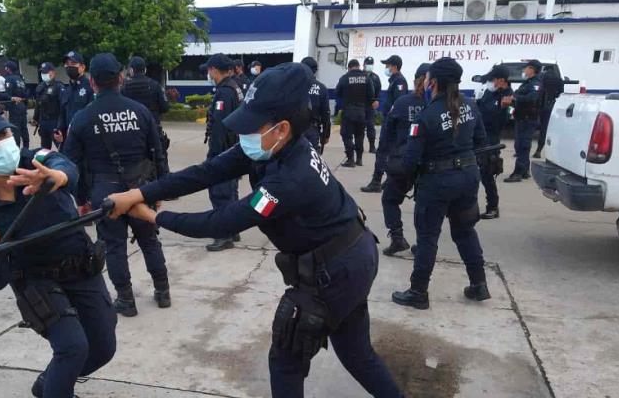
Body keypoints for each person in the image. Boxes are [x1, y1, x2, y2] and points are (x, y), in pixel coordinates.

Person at [106, 63, 402, 398]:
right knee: (356, 354)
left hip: (337, 270)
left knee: (286, 360)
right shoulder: (275, 148)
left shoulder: (288, 178)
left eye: (253, 125)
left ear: (281, 128)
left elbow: (222, 222)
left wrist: (153, 217)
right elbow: (207, 171)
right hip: (353, 254)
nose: (244, 134)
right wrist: (141, 193)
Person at [0, 101, 116, 398]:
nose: (2, 144)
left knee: (103, 348)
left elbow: (65, 165)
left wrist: (56, 178)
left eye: (3, 134)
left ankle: (48, 383)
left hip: (80, 266)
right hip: (36, 282)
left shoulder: (38, 160)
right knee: (72, 347)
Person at [61, 52, 170, 317]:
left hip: (104, 191)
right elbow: (158, 152)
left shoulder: (83, 118)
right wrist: (162, 189)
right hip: (140, 189)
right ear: (121, 78)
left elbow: (70, 163)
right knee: (149, 240)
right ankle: (163, 291)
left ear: (92, 82)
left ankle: (125, 299)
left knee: (113, 246)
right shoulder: (140, 112)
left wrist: (81, 199)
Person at [391, 57, 491, 310]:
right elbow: (482, 141)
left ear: (432, 82)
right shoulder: (470, 105)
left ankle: (418, 292)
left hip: (437, 182)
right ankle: (479, 284)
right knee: (465, 231)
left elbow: (411, 161)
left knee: (427, 238)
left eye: (427, 79)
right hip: (468, 178)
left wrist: (397, 175)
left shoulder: (427, 116)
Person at [378, 63, 430, 256]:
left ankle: (398, 237)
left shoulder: (402, 102)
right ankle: (423, 244)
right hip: (427, 164)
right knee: (424, 205)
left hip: (403, 161)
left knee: (390, 200)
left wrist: (384, 160)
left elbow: (387, 133)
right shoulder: (437, 105)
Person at [201, 53, 243, 251]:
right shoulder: (234, 87)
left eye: (209, 70)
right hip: (233, 147)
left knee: (221, 194)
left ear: (215, 70)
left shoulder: (225, 92)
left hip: (224, 150)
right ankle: (233, 230)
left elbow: (220, 126)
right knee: (231, 192)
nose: (208, 73)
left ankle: (224, 235)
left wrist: (215, 158)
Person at [362, 55, 409, 193]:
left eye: (387, 65)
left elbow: (398, 105)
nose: (386, 68)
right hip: (390, 123)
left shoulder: (399, 82)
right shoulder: (394, 81)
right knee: (390, 153)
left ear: (394, 66)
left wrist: (390, 121)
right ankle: (388, 181)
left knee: (383, 152)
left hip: (392, 125)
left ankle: (377, 181)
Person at [476, 65, 513, 219]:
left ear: (501, 80)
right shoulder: (491, 93)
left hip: (490, 140)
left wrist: (502, 106)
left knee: (487, 174)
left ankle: (493, 206)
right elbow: (480, 108)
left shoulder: (506, 97)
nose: (490, 82)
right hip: (479, 136)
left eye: (493, 79)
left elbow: (497, 119)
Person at [122, 56, 171, 165]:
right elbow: (165, 107)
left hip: (131, 132)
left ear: (131, 70)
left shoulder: (124, 88)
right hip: (153, 130)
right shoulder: (155, 85)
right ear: (145, 70)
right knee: (159, 162)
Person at [504, 60, 542, 183]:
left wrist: (515, 98)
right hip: (522, 118)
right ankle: (524, 170)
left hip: (527, 119)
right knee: (522, 145)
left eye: (525, 68)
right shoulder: (528, 82)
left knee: (522, 146)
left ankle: (518, 172)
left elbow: (532, 98)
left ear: (532, 69)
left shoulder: (535, 83)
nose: (523, 71)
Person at [335, 59, 374, 167]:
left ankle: (350, 159)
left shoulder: (345, 78)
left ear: (349, 67)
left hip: (348, 112)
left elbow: (337, 92)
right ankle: (359, 159)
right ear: (358, 66)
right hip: (362, 112)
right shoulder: (366, 78)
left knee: (346, 135)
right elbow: (371, 95)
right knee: (359, 135)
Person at [56, 50, 94, 147]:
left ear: (82, 67)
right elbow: (63, 114)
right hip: (69, 141)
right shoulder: (66, 90)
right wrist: (59, 130)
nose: (69, 67)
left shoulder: (90, 88)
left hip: (86, 141)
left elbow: (93, 115)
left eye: (73, 64)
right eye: (67, 64)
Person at [300, 57, 330, 153]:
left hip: (296, 130)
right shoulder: (321, 88)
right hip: (313, 130)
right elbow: (326, 114)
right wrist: (325, 135)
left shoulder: (294, 86)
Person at [0, 61, 29, 149]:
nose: (5, 69)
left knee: (16, 130)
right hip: (22, 106)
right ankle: (26, 149)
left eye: (6, 68)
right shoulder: (20, 78)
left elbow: (9, 95)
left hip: (14, 106)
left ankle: (17, 151)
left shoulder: (9, 79)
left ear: (8, 69)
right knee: (24, 129)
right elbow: (25, 94)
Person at [31, 62, 63, 150]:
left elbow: (63, 108)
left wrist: (61, 125)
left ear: (53, 73)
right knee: (44, 149)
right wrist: (35, 118)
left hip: (55, 122)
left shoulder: (59, 87)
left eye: (46, 72)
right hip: (43, 122)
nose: (43, 75)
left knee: (61, 147)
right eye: (42, 73)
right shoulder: (40, 87)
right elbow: (38, 105)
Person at [534, 65, 563, 158]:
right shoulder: (559, 79)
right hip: (550, 105)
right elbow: (560, 92)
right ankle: (538, 150)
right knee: (544, 129)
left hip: (538, 105)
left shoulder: (541, 76)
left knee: (530, 127)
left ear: (545, 70)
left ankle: (523, 150)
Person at [362, 56, 382, 156]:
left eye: (371, 64)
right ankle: (359, 147)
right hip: (360, 105)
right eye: (368, 64)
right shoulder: (360, 76)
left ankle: (372, 146)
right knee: (359, 127)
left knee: (370, 126)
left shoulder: (375, 77)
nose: (369, 66)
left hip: (370, 105)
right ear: (364, 64)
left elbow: (378, 90)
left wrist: (377, 100)